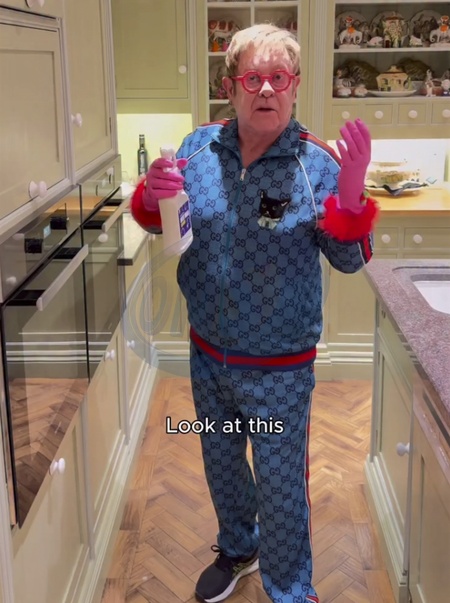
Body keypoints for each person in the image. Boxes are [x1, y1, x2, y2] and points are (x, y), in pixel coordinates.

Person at [131, 23, 378, 603]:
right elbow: (165, 225)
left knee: (281, 483)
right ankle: (239, 548)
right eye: (253, 78)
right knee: (221, 463)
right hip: (207, 355)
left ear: (294, 87)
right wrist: (150, 194)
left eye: (279, 78)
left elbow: (349, 261)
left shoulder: (316, 165)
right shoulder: (196, 149)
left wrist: (350, 197)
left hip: (280, 369)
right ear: (231, 88)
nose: (266, 89)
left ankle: (290, 588)